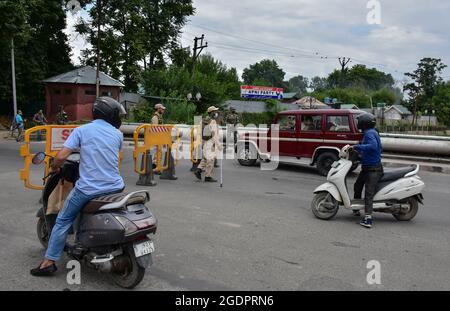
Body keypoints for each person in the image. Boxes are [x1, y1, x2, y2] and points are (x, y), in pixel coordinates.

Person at [30, 97, 126, 277]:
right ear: (110, 115)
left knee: (62, 220)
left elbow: (61, 156)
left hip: (89, 188)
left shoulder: (81, 130)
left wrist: (55, 166)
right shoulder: (117, 134)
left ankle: (48, 262)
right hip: (115, 186)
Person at [350, 113, 383, 229]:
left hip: (373, 169)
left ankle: (368, 218)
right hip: (368, 167)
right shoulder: (372, 132)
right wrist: (359, 149)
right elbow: (375, 148)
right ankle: (356, 209)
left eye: (359, 121)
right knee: (357, 185)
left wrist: (358, 147)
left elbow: (373, 146)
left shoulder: (369, 133)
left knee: (368, 193)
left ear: (364, 123)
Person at [194, 106, 222, 182]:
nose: (217, 113)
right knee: (211, 160)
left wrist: (202, 142)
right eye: (215, 111)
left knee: (205, 158)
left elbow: (199, 132)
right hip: (210, 142)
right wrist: (218, 145)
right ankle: (208, 176)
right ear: (212, 113)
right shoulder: (213, 122)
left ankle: (198, 170)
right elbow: (214, 135)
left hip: (204, 141)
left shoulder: (202, 121)